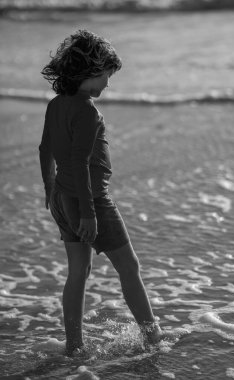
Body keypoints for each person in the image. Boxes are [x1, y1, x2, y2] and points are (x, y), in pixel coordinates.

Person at [39, 29, 164, 356]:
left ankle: (74, 345)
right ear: (91, 71)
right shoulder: (88, 111)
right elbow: (80, 163)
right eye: (107, 75)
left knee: (77, 271)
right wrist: (88, 213)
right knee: (129, 266)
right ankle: (154, 338)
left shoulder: (56, 105)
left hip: (61, 199)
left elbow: (45, 149)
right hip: (90, 201)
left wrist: (49, 189)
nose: (108, 83)